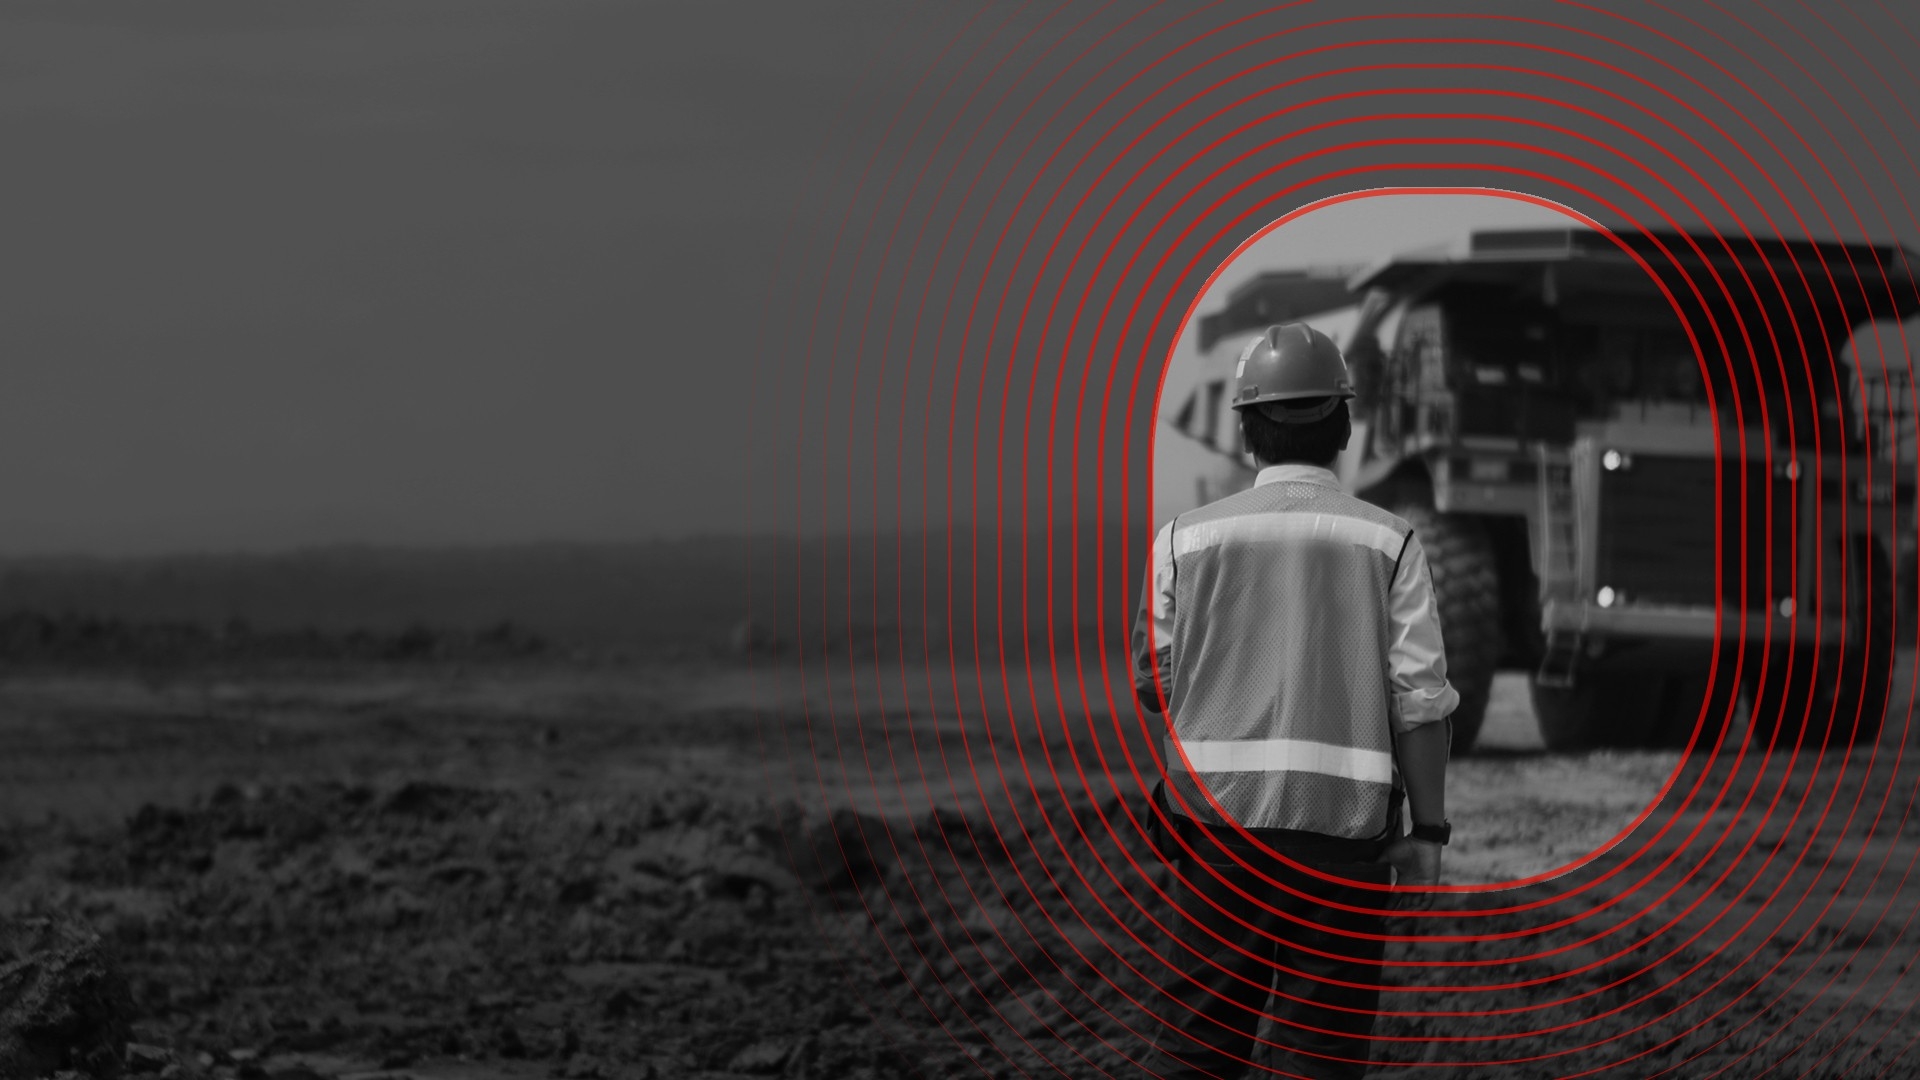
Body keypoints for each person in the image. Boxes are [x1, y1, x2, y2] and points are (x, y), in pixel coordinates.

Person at [1132, 322, 1459, 1080]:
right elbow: (1418, 703)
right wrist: (1430, 833)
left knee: (1195, 1055)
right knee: (1322, 1062)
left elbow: (1153, 682)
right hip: (1343, 846)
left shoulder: (1182, 540)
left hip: (1217, 836)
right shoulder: (1392, 543)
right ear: (1344, 426)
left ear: (1247, 430)